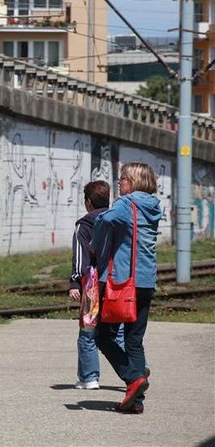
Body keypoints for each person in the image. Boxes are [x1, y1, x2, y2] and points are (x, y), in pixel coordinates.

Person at [92, 162, 161, 414]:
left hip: (122, 281)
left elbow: (106, 219)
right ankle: (136, 401)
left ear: (133, 182)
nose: (118, 183)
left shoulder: (126, 203)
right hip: (145, 281)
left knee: (102, 335)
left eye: (122, 178)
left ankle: (133, 379)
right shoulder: (153, 205)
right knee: (135, 341)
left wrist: (95, 242)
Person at [68, 180, 110, 390]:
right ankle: (136, 369)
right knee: (117, 330)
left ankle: (89, 378)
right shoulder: (116, 220)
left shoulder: (83, 225)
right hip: (115, 280)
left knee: (88, 330)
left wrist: (75, 281)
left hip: (93, 283)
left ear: (88, 202)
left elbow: (80, 257)